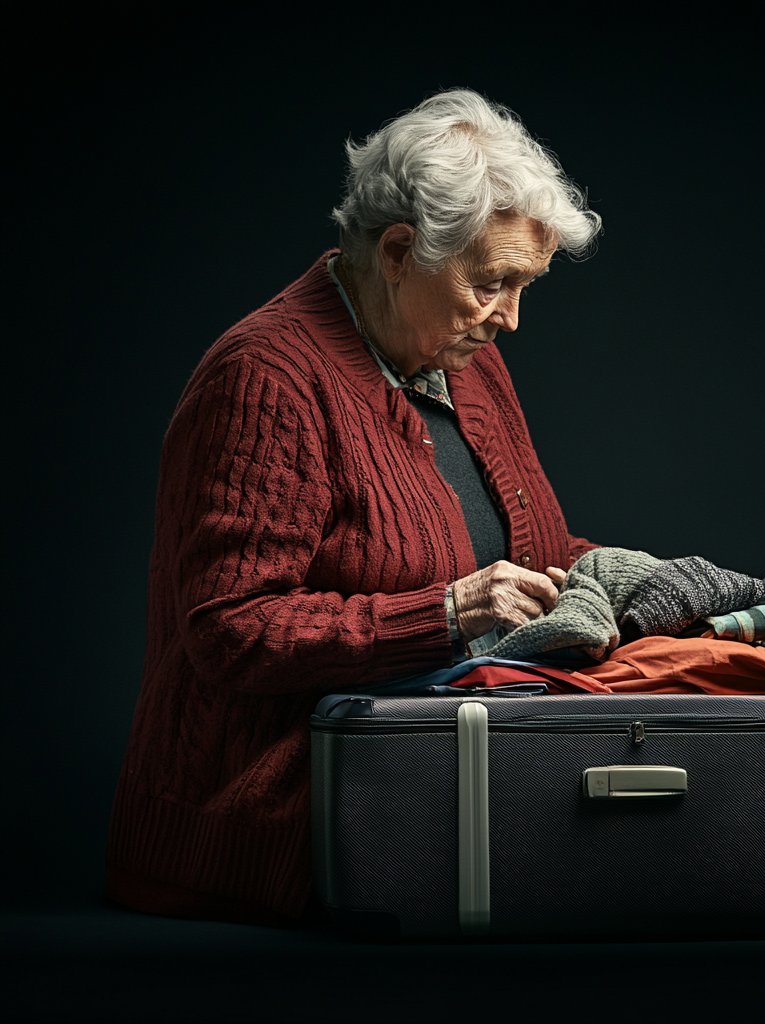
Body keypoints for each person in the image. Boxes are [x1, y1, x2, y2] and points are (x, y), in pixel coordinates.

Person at [104, 87, 607, 927]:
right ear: (401, 250)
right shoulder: (265, 378)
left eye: (526, 287)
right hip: (278, 836)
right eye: (493, 283)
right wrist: (444, 613)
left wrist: (633, 582)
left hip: (438, 805)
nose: (511, 319)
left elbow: (525, 553)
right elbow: (230, 629)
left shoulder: (467, 363)